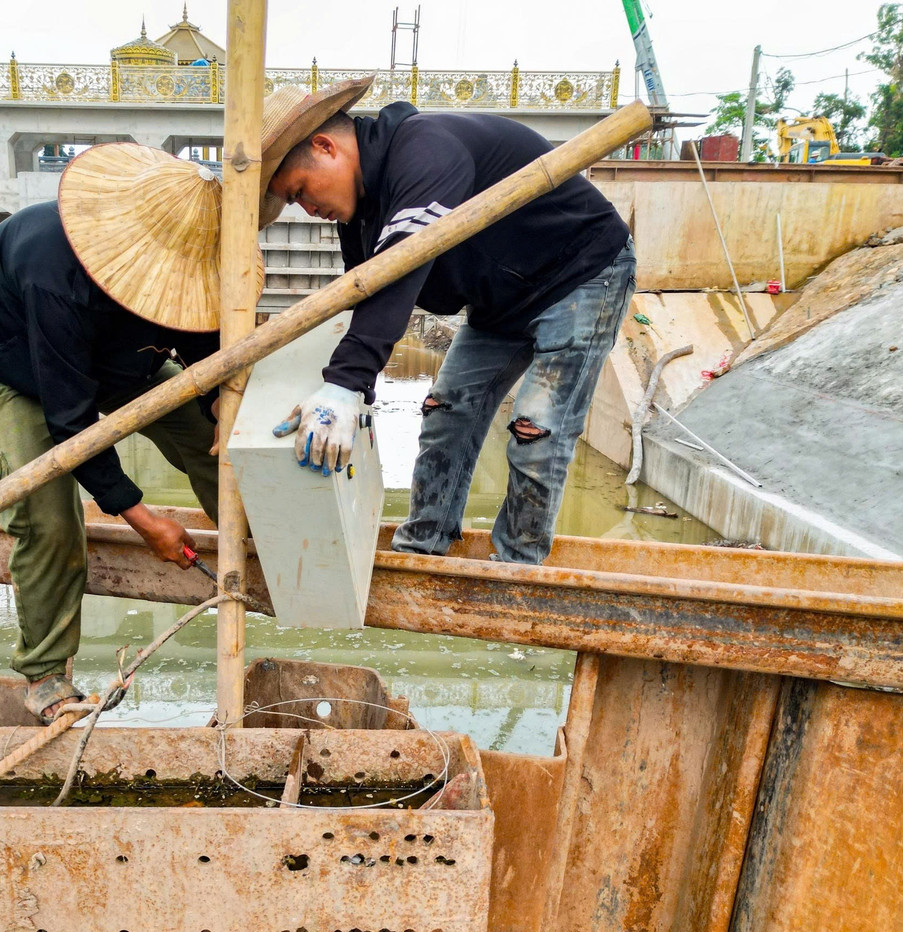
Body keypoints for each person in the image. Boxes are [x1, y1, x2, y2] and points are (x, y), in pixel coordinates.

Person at [260, 76, 637, 565]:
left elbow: (400, 271)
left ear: (325, 146)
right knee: (445, 412)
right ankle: (424, 551)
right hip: (502, 302)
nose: (309, 210)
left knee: (536, 430)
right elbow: (365, 300)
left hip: (581, 273)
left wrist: (346, 384)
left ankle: (516, 572)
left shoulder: (425, 150)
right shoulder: (360, 215)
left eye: (300, 191)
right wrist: (337, 388)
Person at [0, 142, 260, 721]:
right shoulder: (53, 271)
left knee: (213, 438)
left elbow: (201, 337)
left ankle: (253, 551)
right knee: (47, 518)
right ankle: (45, 673)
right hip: (16, 369)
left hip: (122, 359)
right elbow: (72, 424)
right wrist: (143, 520)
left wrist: (219, 396)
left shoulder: (189, 259)